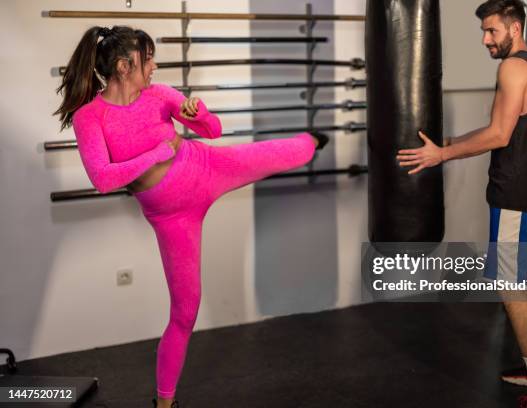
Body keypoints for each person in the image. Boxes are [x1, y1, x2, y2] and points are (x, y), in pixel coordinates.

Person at [54, 25, 326, 408]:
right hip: (172, 218)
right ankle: (165, 404)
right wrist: (155, 155)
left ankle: (312, 141)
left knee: (278, 155)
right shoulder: (90, 118)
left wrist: (198, 116)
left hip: (207, 166)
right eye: (147, 59)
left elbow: (212, 131)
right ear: (122, 66)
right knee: (186, 311)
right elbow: (102, 179)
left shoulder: (159, 94)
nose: (154, 66)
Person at [395, 1, 527, 407]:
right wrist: (450, 141)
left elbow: (499, 137)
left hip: (513, 192)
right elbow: (498, 127)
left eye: (492, 31)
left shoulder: (512, 68)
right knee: (522, 275)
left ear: (515, 27)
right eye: (484, 32)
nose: (486, 40)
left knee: (511, 284)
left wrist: (440, 156)